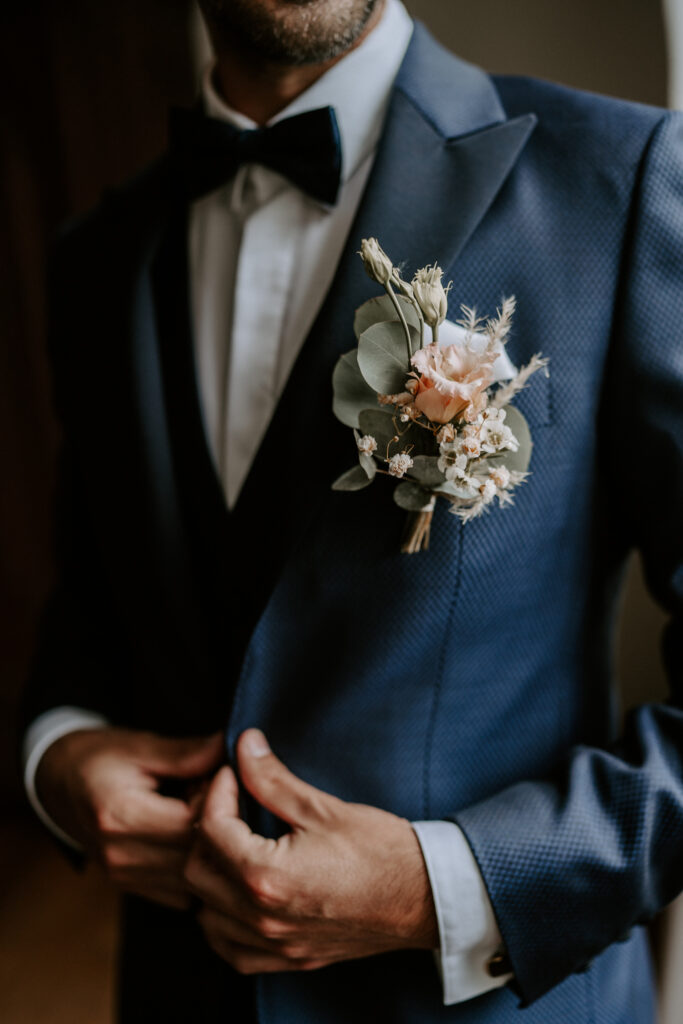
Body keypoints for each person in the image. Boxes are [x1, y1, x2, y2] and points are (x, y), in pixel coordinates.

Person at [22, 0, 683, 1021]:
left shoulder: (620, 180)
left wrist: (448, 887)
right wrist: (56, 754)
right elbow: (92, 613)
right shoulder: (95, 257)